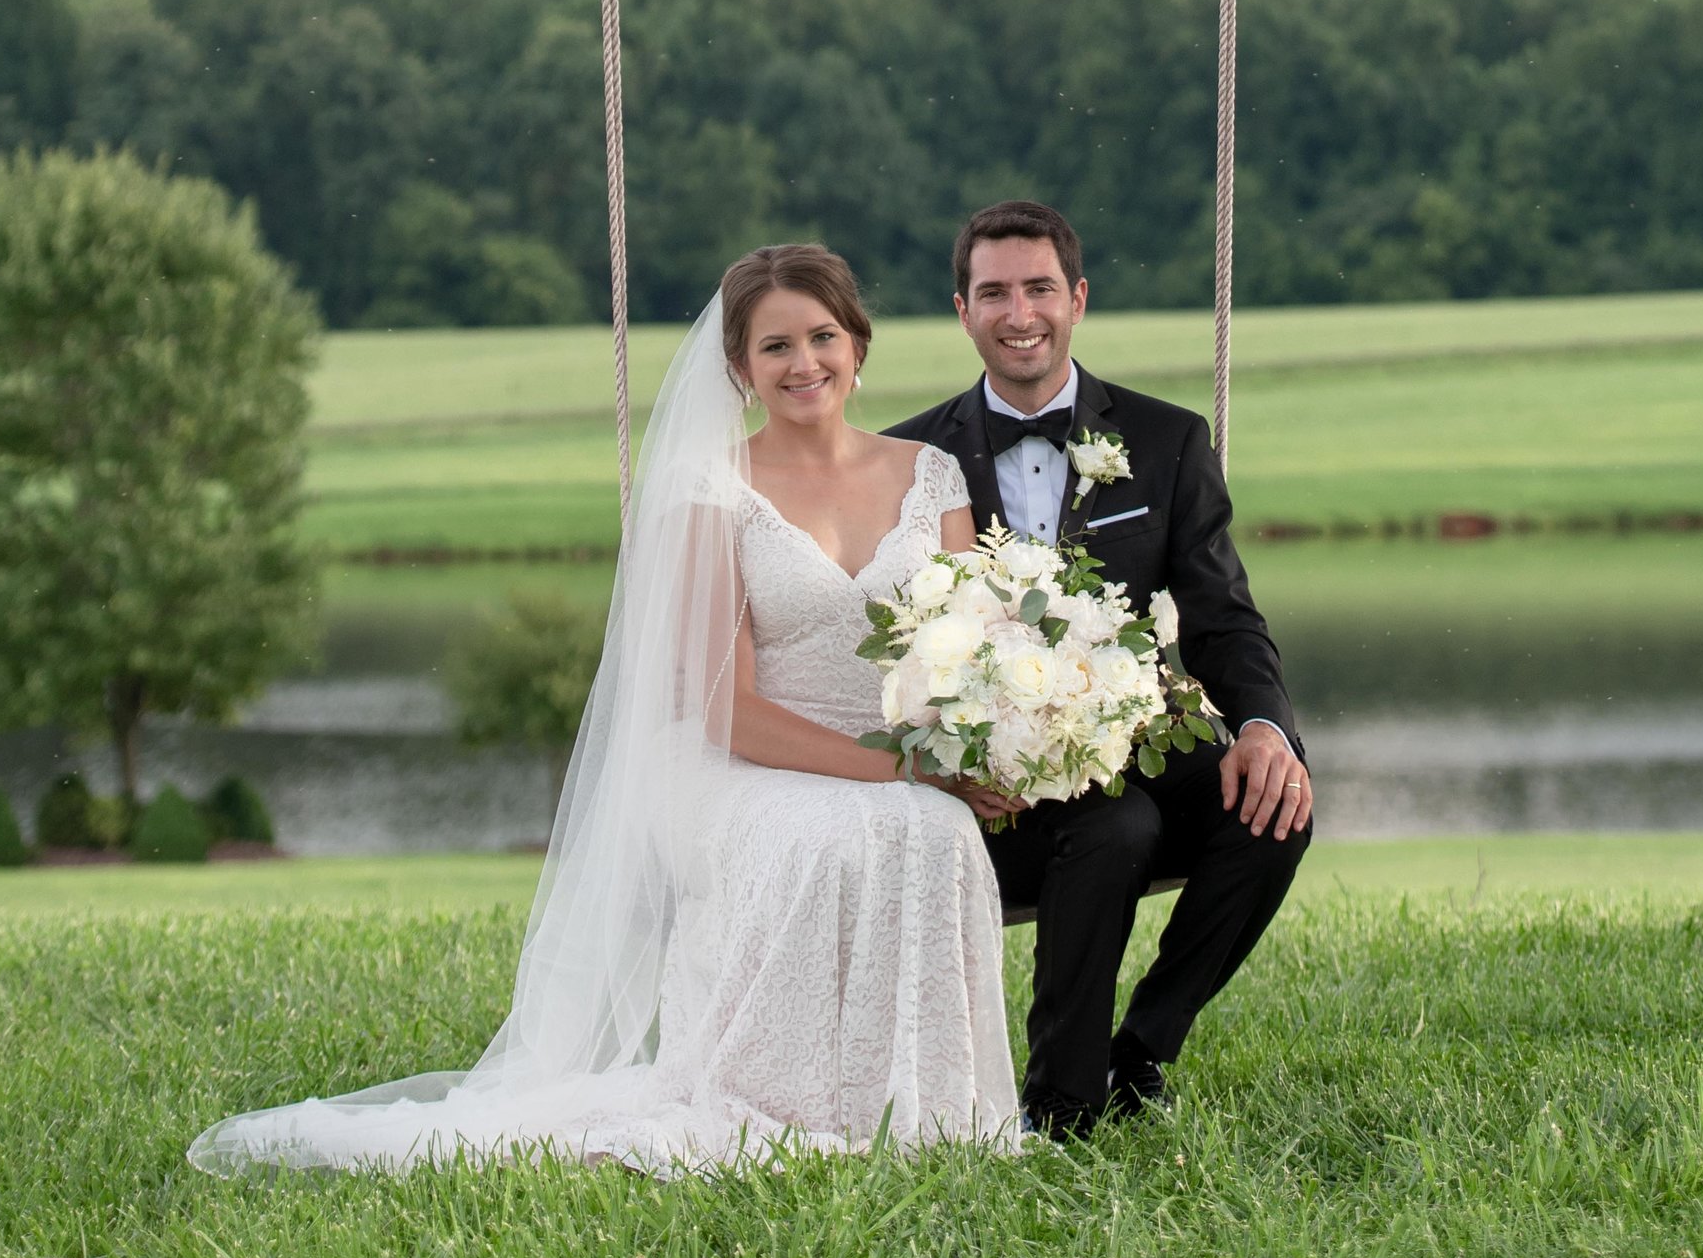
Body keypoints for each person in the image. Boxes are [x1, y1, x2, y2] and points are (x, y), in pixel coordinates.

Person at [189, 244, 1019, 1171]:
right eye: (774, 345)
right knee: (828, 838)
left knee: (934, 832)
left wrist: (977, 746)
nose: (804, 362)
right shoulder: (717, 487)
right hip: (738, 757)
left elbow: (965, 652)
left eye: (823, 335)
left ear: (858, 344)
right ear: (740, 369)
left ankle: (924, 1107)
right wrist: (898, 767)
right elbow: (722, 708)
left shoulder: (932, 476)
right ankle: (771, 1102)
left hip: (891, 752)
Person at [892, 198, 1313, 1137]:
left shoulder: (1166, 442)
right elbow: (896, 641)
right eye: (993, 291)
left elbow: (1222, 618)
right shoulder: (909, 457)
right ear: (961, 310)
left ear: (1077, 297)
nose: (1019, 312)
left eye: (1039, 286)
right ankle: (1062, 1100)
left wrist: (1262, 727)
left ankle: (1142, 1053)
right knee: (1116, 826)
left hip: (1135, 733)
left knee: (1277, 803)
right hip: (985, 775)